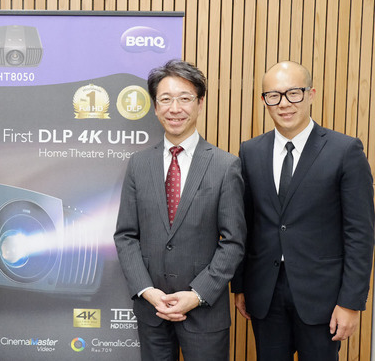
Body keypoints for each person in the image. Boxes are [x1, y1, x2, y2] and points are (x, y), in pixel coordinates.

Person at [231, 61, 375, 360]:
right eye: (274, 95)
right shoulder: (250, 151)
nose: (284, 103)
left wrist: (351, 302)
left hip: (323, 297)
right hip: (265, 293)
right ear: (264, 100)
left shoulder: (345, 151)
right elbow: (246, 224)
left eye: (293, 93)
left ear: (311, 94)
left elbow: (360, 234)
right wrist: (240, 285)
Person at [114, 59, 246, 361]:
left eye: (185, 98)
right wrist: (147, 291)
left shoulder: (225, 166)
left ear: (200, 103)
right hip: (152, 310)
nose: (175, 108)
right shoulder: (139, 164)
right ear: (155, 106)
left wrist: (197, 294)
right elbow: (126, 236)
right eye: (166, 99)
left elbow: (233, 242)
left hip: (205, 312)